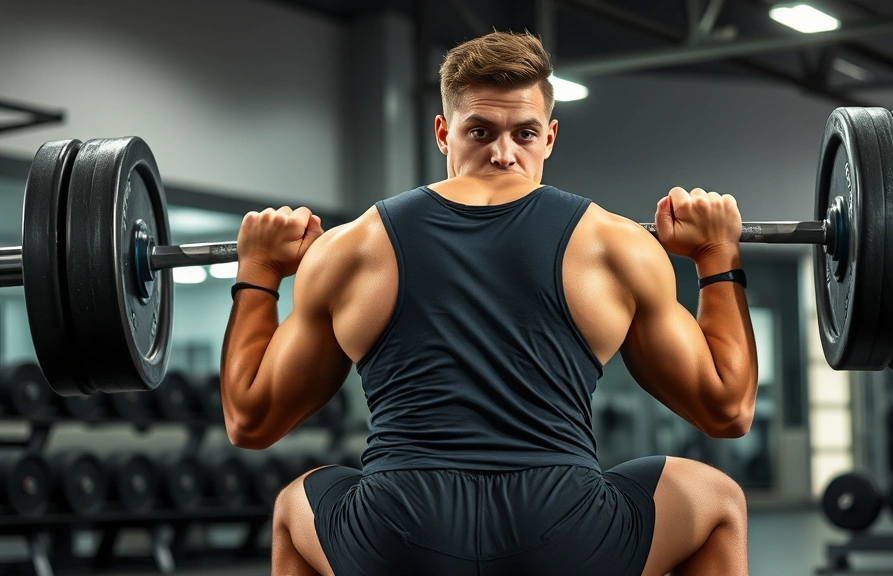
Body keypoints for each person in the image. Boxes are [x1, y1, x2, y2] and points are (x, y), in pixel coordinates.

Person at [221, 31, 758, 576]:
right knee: (716, 501)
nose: (504, 154)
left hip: (397, 535)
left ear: (549, 136)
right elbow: (727, 408)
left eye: (523, 133)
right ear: (443, 133)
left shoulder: (351, 247)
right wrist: (716, 255)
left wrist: (259, 270)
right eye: (480, 131)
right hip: (565, 534)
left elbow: (250, 419)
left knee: (295, 504)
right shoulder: (615, 244)